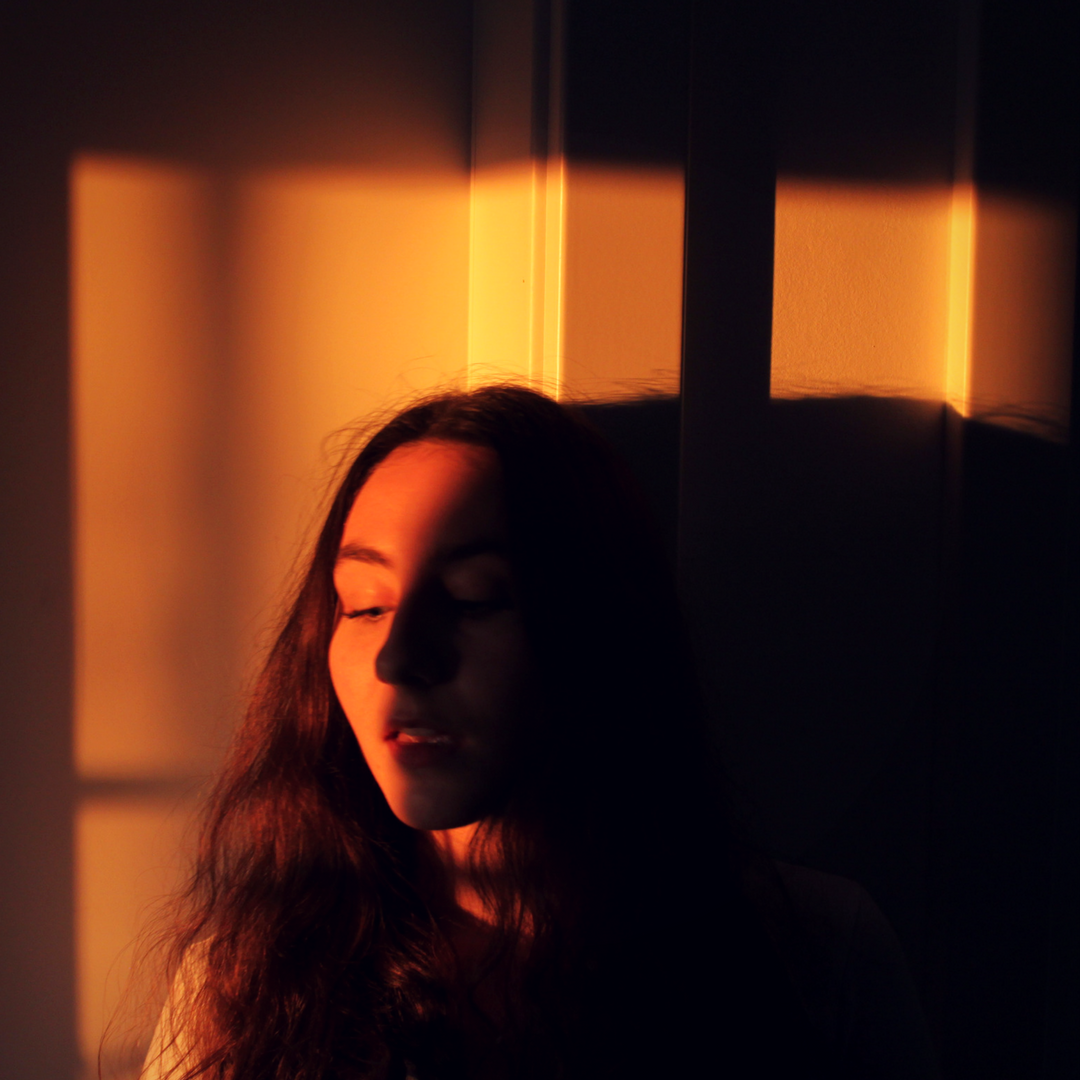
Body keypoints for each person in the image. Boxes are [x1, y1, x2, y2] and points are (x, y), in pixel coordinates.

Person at [142, 385, 937, 1080]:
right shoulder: (249, 976)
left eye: (474, 597)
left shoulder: (810, 954)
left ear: (594, 625)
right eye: (364, 605)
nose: (400, 657)